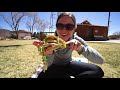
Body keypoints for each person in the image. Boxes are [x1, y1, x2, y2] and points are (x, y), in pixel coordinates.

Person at [33, 12, 104, 78]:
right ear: (56, 27)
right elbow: (47, 65)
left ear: (74, 29)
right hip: (53, 67)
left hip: (68, 65)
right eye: (60, 26)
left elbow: (100, 60)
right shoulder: (50, 40)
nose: (64, 30)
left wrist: (81, 49)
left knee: (97, 71)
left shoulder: (76, 39)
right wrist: (49, 54)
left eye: (69, 26)